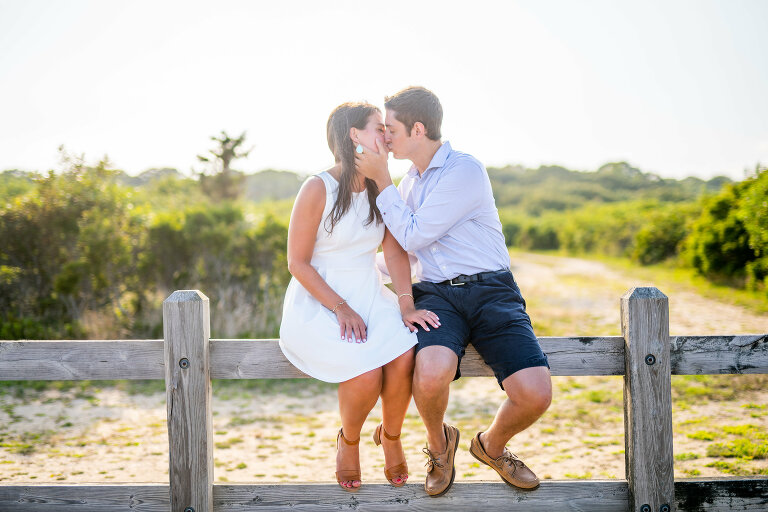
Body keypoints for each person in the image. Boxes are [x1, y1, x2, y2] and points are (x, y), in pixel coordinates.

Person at [355, 86, 552, 497]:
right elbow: (405, 258)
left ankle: (490, 446)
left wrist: (380, 179)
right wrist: (347, 273)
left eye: (390, 128)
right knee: (429, 376)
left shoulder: (464, 171)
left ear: (418, 128)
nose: (385, 137)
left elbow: (413, 234)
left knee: (535, 394)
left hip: (492, 292)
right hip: (437, 297)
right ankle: (439, 445)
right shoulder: (407, 186)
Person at [279, 101, 440, 492]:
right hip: (321, 299)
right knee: (365, 372)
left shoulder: (378, 187)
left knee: (405, 350)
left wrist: (405, 303)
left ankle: (391, 436)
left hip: (370, 293)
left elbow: (394, 251)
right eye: (378, 128)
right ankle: (348, 441)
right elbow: (297, 263)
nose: (386, 135)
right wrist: (340, 307)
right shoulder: (318, 186)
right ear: (354, 135)